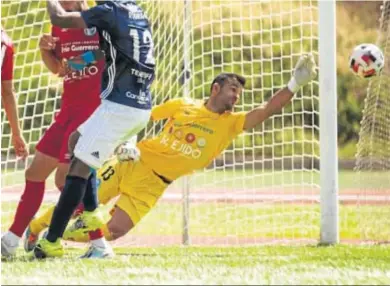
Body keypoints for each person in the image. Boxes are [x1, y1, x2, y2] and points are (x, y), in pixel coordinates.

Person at [59, 54, 317, 255]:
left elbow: (266, 109)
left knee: (115, 230)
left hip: (155, 184)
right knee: (77, 201)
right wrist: (128, 140)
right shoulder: (183, 105)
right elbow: (141, 116)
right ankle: (36, 230)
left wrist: (294, 84)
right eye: (233, 89)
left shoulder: (232, 123)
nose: (237, 96)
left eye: (239, 92)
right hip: (135, 163)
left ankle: (59, 238)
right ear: (215, 88)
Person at [32, 0, 155, 259]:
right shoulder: (135, 11)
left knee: (77, 169)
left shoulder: (109, 10)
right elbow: (103, 52)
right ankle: (91, 214)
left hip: (119, 107)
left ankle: (52, 241)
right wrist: (72, 64)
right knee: (76, 142)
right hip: (134, 105)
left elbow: (60, 17)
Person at [1, 0, 104, 258]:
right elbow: (58, 69)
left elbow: (108, 53)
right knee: (35, 173)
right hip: (67, 109)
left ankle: (100, 245)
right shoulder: (58, 25)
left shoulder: (99, 18)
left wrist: (80, 61)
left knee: (64, 180)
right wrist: (45, 51)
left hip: (91, 110)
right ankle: (10, 241)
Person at [1, 26, 28, 159]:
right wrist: (16, 133)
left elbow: (7, 92)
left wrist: (17, 133)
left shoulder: (5, 45)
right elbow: (7, 92)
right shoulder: (5, 43)